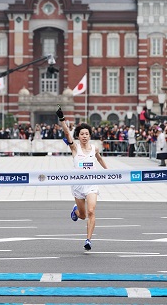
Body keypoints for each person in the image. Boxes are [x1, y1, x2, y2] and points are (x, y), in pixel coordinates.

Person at [57, 105, 108, 251]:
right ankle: (76, 211)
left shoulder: (94, 149)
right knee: (83, 215)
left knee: (91, 211)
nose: (84, 136)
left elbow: (99, 159)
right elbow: (67, 133)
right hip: (78, 185)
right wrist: (62, 119)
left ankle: (88, 240)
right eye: (82, 134)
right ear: (78, 136)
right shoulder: (75, 148)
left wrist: (110, 172)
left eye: (86, 134)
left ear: (90, 136)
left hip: (91, 184)